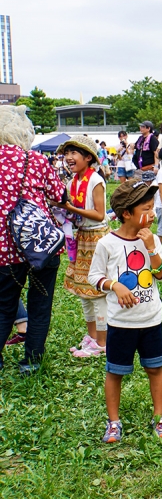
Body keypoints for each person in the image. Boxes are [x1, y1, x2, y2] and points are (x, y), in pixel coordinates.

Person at [88, 180, 162, 443]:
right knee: (115, 372)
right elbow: (94, 277)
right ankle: (113, 422)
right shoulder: (107, 244)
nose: (152, 213)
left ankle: (159, 417)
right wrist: (114, 285)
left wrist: (151, 250)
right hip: (121, 323)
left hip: (150, 319)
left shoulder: (153, 239)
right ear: (127, 213)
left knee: (155, 368)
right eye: (146, 208)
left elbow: (161, 274)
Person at [0, 106, 68, 375]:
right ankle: (32, 361)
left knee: (4, 307)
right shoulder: (36, 160)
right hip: (41, 244)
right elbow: (60, 195)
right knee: (41, 304)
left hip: (5, 247)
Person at [60, 136, 110, 358]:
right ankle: (92, 337)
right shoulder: (73, 181)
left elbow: (99, 214)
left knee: (97, 292)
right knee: (84, 291)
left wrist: (70, 207)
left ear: (88, 157)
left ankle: (102, 343)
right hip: (82, 239)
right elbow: (72, 209)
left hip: (96, 238)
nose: (69, 158)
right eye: (67, 153)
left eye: (74, 153)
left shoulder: (95, 180)